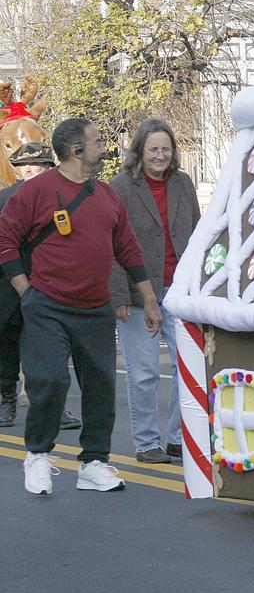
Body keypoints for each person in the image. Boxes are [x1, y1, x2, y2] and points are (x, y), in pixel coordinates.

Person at [0, 117, 163, 495]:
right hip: (47, 306)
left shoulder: (106, 195)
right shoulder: (36, 192)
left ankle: (94, 463)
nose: (104, 148)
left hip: (95, 309)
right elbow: (5, 240)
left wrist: (150, 300)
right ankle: (38, 455)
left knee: (101, 389)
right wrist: (26, 292)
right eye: (97, 142)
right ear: (77, 151)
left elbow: (129, 250)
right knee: (50, 379)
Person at [110, 119, 200, 464]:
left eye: (166, 149)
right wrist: (118, 294)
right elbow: (111, 243)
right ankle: (147, 442)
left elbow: (196, 232)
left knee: (187, 365)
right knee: (144, 372)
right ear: (140, 152)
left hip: (179, 290)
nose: (160, 156)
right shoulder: (121, 187)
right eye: (153, 150)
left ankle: (179, 437)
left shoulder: (183, 183)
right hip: (136, 295)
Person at [0, 143, 82, 430]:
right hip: (9, 287)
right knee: (7, 347)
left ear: (50, 167)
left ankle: (55, 407)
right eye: (22, 166)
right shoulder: (4, 199)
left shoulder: (65, 198)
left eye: (36, 164)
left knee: (51, 350)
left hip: (52, 284)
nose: (29, 170)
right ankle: (6, 402)